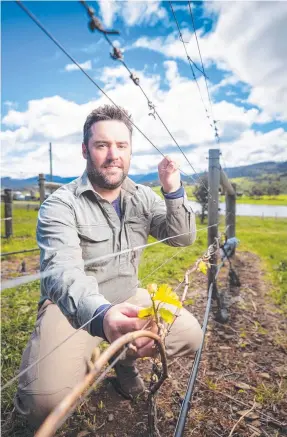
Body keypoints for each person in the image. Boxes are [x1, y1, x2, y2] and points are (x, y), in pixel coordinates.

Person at [14, 104, 203, 428]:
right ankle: (91, 351)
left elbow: (182, 238)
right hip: (72, 310)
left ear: (130, 151)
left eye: (121, 146)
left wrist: (173, 190)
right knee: (43, 406)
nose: (112, 154)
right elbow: (63, 272)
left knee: (190, 335)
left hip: (129, 297)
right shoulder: (60, 204)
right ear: (85, 150)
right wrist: (102, 317)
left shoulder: (143, 197)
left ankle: (122, 360)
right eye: (102, 145)